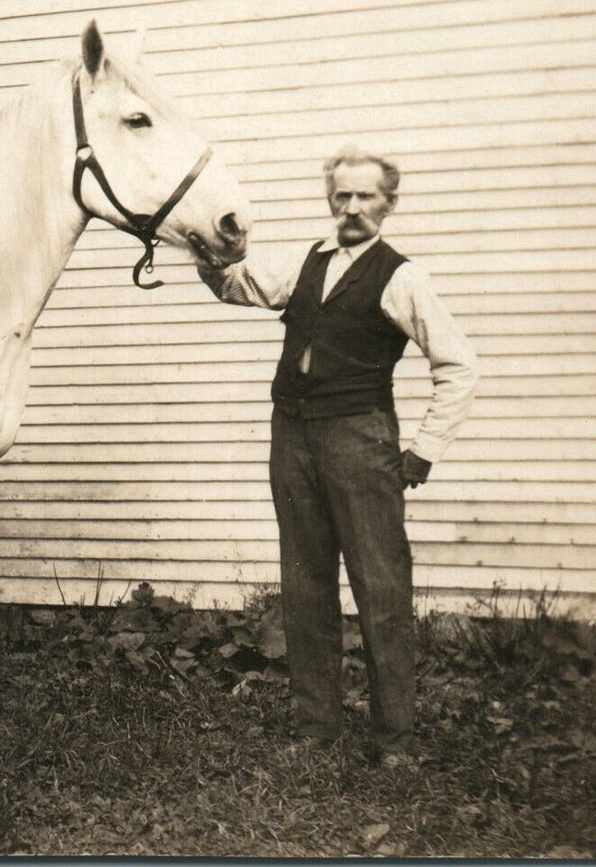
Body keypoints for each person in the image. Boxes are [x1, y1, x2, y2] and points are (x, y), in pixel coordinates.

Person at [195, 146, 478, 765]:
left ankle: (394, 740)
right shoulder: (308, 263)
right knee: (305, 585)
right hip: (292, 437)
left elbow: (458, 365)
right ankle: (316, 728)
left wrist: (424, 451)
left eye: (365, 196)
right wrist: (206, 248)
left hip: (360, 440)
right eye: (342, 195)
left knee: (381, 589)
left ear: (388, 204)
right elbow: (236, 285)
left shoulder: (401, 276)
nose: (351, 207)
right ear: (330, 199)